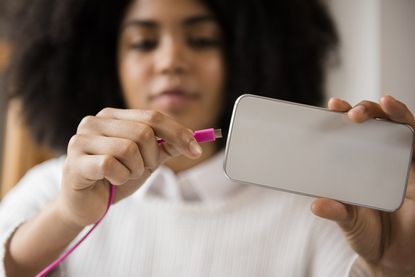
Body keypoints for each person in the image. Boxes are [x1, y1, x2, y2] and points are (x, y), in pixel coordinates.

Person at [1, 0, 414, 276]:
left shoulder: (322, 210)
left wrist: (395, 268)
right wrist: (68, 216)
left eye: (200, 40)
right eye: (143, 43)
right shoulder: (50, 190)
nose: (171, 62)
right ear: (106, 64)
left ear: (243, 56)